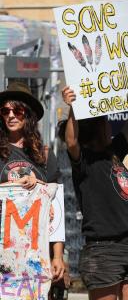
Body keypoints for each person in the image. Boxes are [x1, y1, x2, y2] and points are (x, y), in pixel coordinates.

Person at [61, 83, 128, 300]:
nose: (109, 126)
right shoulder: (85, 161)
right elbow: (71, 141)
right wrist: (73, 107)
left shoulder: (114, 152)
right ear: (95, 128)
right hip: (103, 250)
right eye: (104, 121)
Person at [0, 81, 66, 292]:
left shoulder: (45, 156)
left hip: (37, 255)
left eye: (17, 110)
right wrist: (13, 186)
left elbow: (56, 207)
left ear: (27, 114)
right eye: (5, 110)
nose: (11, 115)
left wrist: (57, 256)